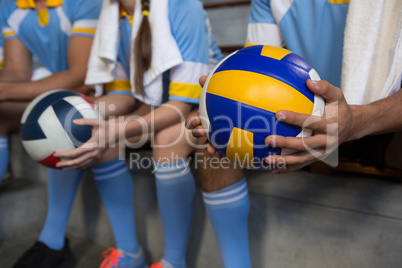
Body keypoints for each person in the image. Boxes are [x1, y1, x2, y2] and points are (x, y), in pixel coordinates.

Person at [56, 0, 224, 267]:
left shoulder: (182, 6)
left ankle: (173, 260)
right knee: (91, 129)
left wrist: (117, 129)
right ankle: (129, 252)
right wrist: (82, 112)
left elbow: (181, 103)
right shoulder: (114, 14)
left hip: (206, 99)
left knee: (167, 138)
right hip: (159, 102)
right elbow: (122, 94)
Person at [0, 1, 144, 268]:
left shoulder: (83, 2)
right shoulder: (9, 5)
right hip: (65, 92)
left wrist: (5, 91)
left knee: (73, 122)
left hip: (113, 90)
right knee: (58, 116)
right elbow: (17, 72)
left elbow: (81, 76)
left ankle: (130, 252)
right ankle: (52, 241)